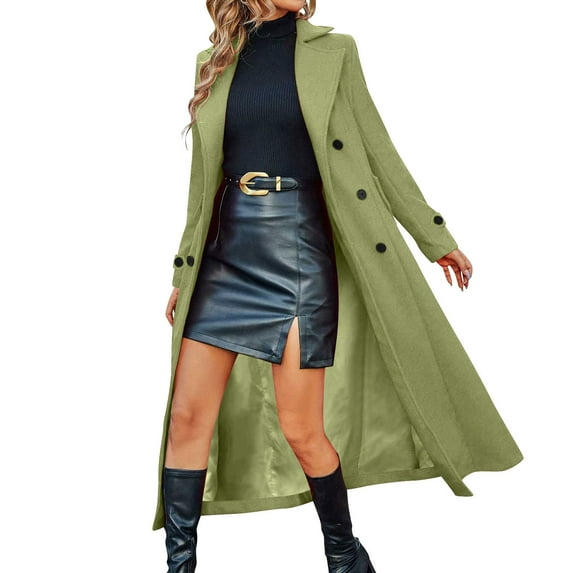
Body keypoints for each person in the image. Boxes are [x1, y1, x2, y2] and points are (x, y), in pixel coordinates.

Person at [154, 1, 523, 572]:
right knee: (186, 420)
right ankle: (179, 566)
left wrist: (434, 237)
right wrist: (184, 272)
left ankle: (345, 557)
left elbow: (377, 151)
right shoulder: (215, 59)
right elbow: (202, 182)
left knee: (302, 428)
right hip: (226, 254)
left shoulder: (335, 51)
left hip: (298, 249)